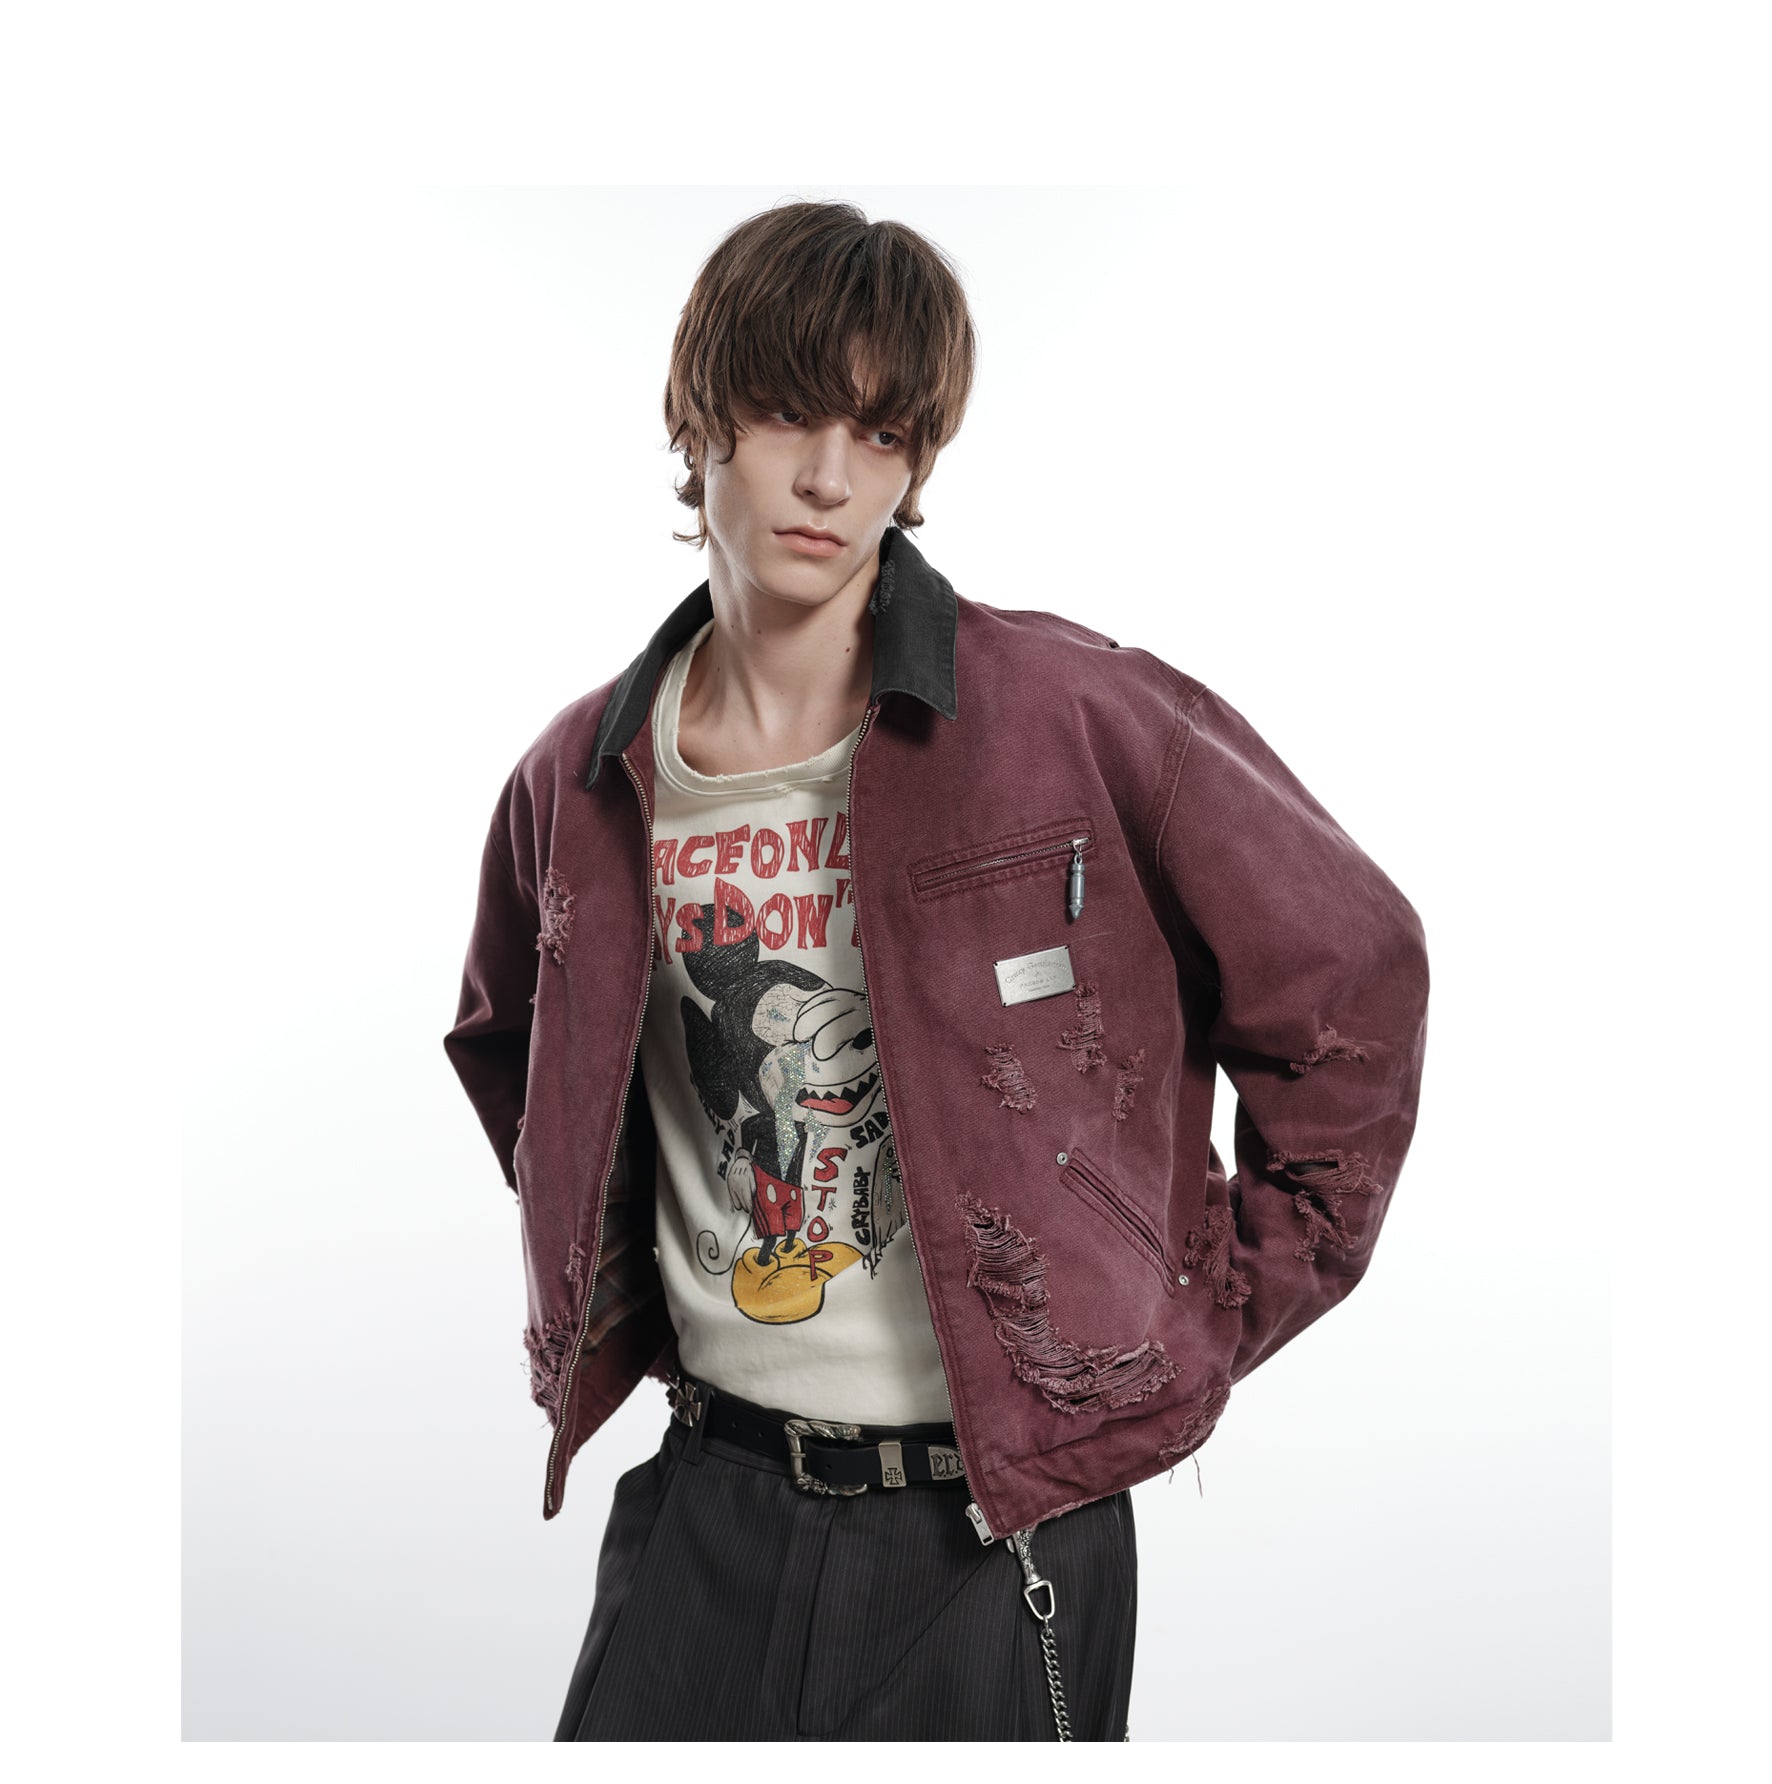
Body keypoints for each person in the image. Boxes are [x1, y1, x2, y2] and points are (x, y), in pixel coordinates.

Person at [443, 199, 1431, 1742]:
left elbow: (1355, 979)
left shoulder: (1078, 714)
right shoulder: (579, 777)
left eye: (884, 433)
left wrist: (1198, 1312)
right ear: (699, 417)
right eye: (790, 413)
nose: (832, 478)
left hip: (1001, 1534)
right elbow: (515, 1050)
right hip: (707, 1502)